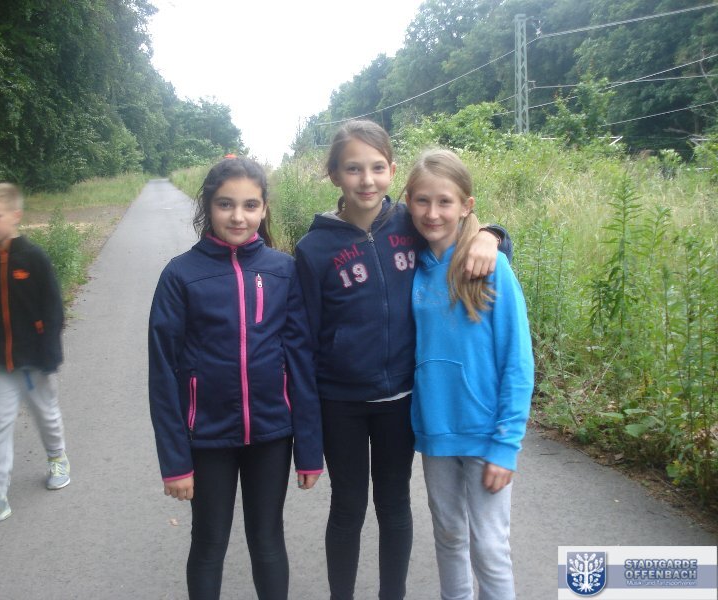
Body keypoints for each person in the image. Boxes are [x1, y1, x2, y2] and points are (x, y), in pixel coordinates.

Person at [294, 120, 511, 600]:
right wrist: (306, 439)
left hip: (402, 400)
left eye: (376, 168)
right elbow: (302, 345)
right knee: (347, 508)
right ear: (334, 174)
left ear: (392, 171)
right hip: (341, 403)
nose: (366, 180)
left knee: (394, 506)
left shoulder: (409, 224)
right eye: (353, 169)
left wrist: (492, 235)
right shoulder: (313, 250)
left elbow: (456, 229)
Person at [148, 156, 323, 600]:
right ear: (208, 205)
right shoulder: (180, 275)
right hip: (207, 437)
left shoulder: (283, 270)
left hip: (272, 434)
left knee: (268, 539)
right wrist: (175, 462)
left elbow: (300, 361)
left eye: (250, 205)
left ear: (264, 209)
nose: (238, 216)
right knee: (209, 543)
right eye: (225, 204)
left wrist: (309, 448)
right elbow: (163, 374)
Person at [404, 149, 534, 600]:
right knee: (449, 536)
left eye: (445, 201)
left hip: (485, 434)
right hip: (436, 431)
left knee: (490, 547)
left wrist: (507, 444)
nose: (433, 213)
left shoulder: (492, 268)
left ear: (466, 206)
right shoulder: (411, 266)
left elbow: (518, 361)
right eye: (422, 201)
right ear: (408, 202)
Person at [0, 182, 70, 531]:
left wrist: (50, 354)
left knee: (46, 415)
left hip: (34, 360)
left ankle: (57, 458)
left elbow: (53, 308)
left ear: (15, 216)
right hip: (0, 363)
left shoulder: (34, 258)